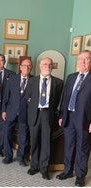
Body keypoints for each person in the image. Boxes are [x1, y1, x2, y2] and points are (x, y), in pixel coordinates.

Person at [24, 57, 63, 180]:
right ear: (40, 66)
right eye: (45, 64)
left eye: (50, 64)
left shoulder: (59, 83)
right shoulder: (32, 81)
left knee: (46, 143)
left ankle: (44, 169)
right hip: (34, 114)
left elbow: (56, 101)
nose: (48, 66)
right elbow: (27, 97)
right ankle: (34, 166)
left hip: (47, 115)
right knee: (34, 141)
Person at [56, 50, 91, 187]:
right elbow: (65, 98)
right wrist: (61, 115)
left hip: (84, 119)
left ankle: (80, 175)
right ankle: (67, 170)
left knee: (82, 147)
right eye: (80, 59)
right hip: (69, 117)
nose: (82, 62)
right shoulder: (71, 77)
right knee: (69, 145)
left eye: (86, 59)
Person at [1, 58, 32, 165]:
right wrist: (4, 110)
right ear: (20, 67)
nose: (26, 68)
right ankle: (8, 156)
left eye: (29, 66)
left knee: (23, 136)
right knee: (7, 134)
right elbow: (6, 95)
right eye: (24, 66)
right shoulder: (12, 78)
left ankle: (21, 157)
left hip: (25, 112)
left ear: (31, 68)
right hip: (11, 111)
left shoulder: (34, 80)